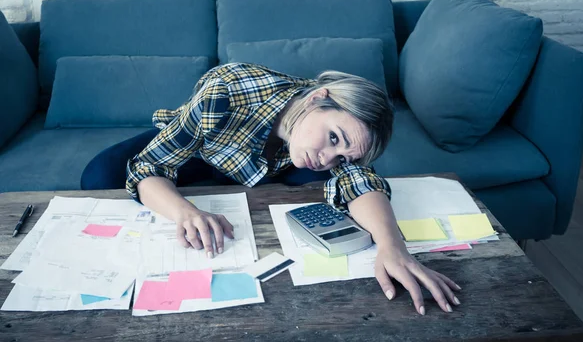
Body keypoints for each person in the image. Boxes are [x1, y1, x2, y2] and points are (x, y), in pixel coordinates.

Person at [81, 62, 460, 315]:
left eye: (341, 154)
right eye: (332, 137)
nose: (326, 157)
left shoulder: (320, 155)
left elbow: (358, 179)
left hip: (276, 165)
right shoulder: (225, 90)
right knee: (99, 177)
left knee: (327, 180)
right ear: (315, 100)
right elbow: (152, 165)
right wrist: (185, 212)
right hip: (203, 147)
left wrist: (393, 246)